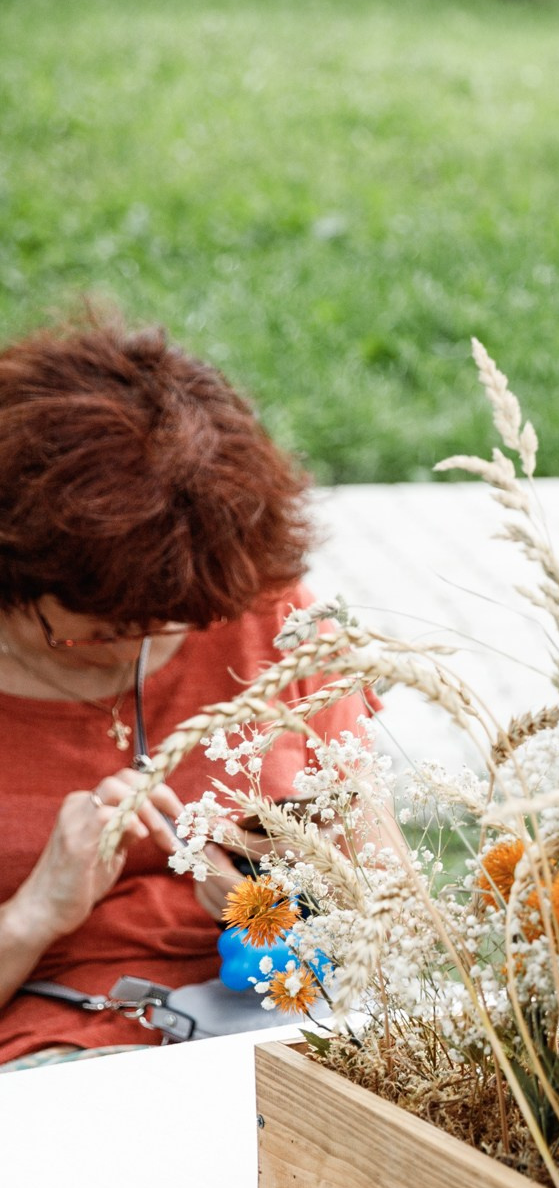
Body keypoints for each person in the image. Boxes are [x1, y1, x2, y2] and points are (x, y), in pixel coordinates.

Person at [0, 317, 370, 1067]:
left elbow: (386, 893)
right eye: (105, 630)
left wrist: (291, 887)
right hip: (62, 1054)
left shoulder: (251, 599)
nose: (147, 647)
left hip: (287, 1016)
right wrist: (37, 913)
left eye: (176, 624)